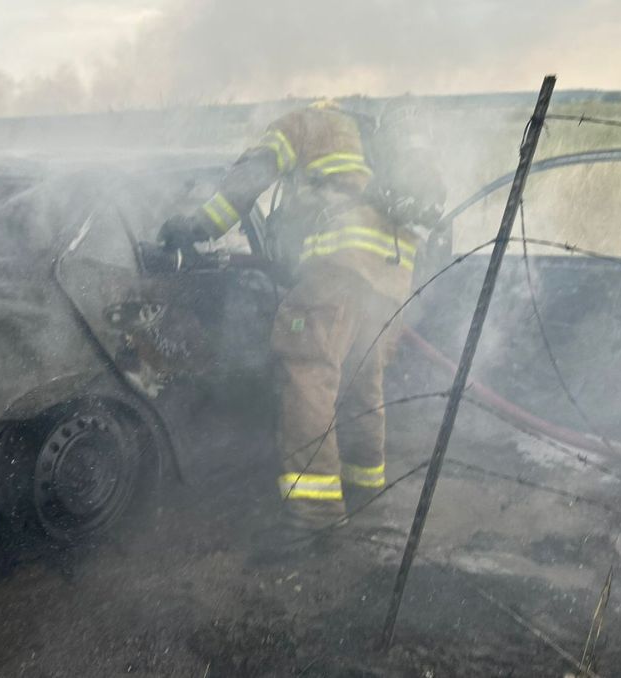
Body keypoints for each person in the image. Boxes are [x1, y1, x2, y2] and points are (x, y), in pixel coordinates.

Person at [159, 100, 445, 558]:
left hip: (336, 269)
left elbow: (250, 178)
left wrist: (197, 225)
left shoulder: (302, 123)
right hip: (391, 279)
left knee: (307, 374)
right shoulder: (365, 133)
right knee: (360, 378)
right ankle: (363, 481)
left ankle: (314, 517)